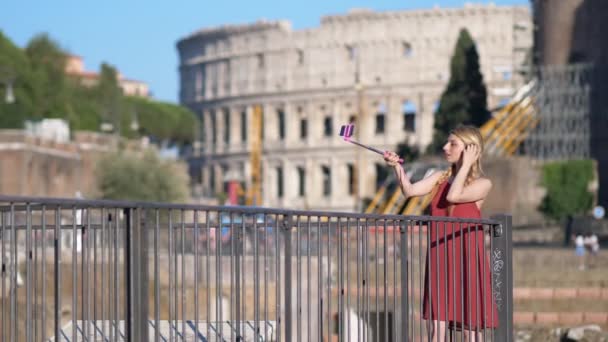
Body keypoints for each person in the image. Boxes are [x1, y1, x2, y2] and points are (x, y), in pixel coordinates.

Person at [384, 125, 497, 341]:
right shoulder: (438, 178)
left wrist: (466, 165)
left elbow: (455, 195)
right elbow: (409, 191)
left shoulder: (484, 184)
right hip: (440, 256)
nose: (445, 147)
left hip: (468, 258)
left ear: (471, 150)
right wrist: (397, 166)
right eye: (447, 142)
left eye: (453, 144)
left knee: (470, 328)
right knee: (437, 327)